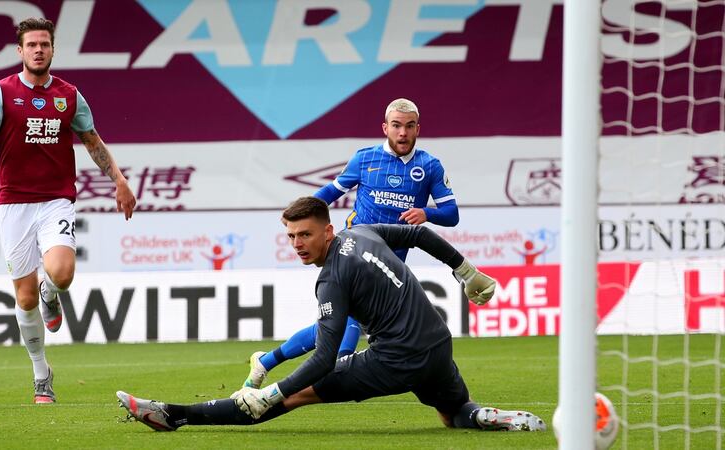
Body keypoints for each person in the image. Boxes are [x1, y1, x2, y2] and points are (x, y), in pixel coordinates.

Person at [117, 197, 545, 433]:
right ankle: (491, 417)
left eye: (305, 234)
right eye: (290, 236)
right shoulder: (363, 232)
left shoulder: (332, 279)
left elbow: (323, 359)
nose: (297, 244)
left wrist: (271, 391)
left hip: (396, 358)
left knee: (292, 396)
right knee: (453, 414)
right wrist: (465, 271)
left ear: (327, 230)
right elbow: (417, 233)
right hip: (436, 342)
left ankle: (176, 415)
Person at [0, 17, 136, 403]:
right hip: (13, 202)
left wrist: (120, 180)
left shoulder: (69, 95)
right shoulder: (1, 92)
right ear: (21, 51)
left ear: (52, 49)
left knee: (61, 274)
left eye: (44, 44)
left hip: (55, 199)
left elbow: (92, 139)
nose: (39, 50)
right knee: (23, 298)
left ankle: (52, 292)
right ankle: (41, 372)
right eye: (32, 45)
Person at [242, 98, 459, 390]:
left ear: (418, 128)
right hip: (352, 249)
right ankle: (336, 371)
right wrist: (299, 219)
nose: (403, 133)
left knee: (336, 321)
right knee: (348, 324)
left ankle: (267, 362)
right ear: (385, 127)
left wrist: (426, 213)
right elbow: (330, 192)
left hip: (391, 261)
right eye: (396, 126)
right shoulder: (365, 159)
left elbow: (451, 214)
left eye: (409, 126)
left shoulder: (429, 166)